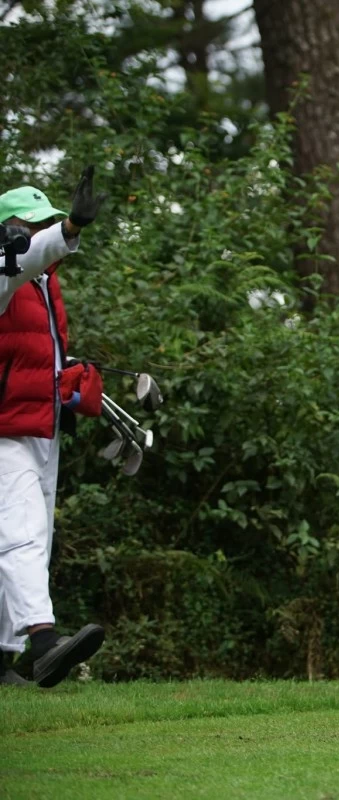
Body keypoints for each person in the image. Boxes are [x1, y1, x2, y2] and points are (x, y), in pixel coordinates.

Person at [0, 167, 107, 687]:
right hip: (5, 430)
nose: (37, 232)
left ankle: (4, 661)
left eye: (45, 224)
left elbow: (35, 355)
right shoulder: (5, 272)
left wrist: (70, 385)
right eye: (29, 224)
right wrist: (68, 230)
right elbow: (20, 263)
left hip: (40, 426)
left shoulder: (43, 284)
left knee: (31, 539)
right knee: (20, 536)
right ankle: (43, 641)